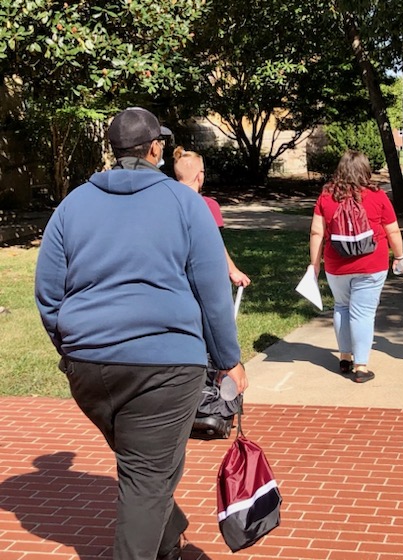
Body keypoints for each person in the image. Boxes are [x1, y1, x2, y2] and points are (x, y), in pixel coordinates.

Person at [34, 107, 248, 560]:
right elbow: (212, 291)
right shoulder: (185, 202)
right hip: (165, 369)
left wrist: (71, 349)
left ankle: (168, 540)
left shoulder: (72, 204)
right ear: (155, 149)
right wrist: (230, 359)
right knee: (148, 476)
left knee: (144, 468)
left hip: (90, 367)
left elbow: (48, 295)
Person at [309, 150, 403, 382]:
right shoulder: (377, 196)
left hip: (336, 264)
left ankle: (344, 357)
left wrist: (314, 265)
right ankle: (361, 366)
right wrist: (400, 256)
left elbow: (316, 232)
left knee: (341, 307)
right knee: (363, 313)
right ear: (365, 170)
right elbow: (392, 230)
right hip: (372, 264)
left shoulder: (326, 197)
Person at [173, 146, 251, 287]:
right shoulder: (209, 205)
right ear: (199, 175)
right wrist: (232, 270)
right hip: (200, 275)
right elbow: (216, 244)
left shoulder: (164, 201)